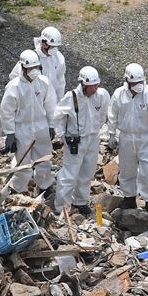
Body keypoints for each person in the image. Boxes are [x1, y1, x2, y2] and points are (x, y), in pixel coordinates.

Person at [107, 63, 148, 220]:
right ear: (127, 82)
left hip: (146, 137)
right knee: (127, 168)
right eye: (135, 83)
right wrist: (111, 134)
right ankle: (129, 198)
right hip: (127, 136)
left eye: (140, 82)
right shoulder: (119, 94)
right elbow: (112, 114)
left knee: (147, 170)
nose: (138, 86)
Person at [53, 66, 110, 216]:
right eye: (92, 86)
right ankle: (61, 207)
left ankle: (81, 201)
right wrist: (61, 135)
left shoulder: (102, 95)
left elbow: (103, 113)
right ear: (83, 84)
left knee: (87, 172)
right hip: (76, 141)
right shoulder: (71, 97)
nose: (95, 89)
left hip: (92, 138)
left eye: (97, 85)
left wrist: (98, 127)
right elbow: (58, 116)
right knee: (69, 174)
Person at [0, 49, 57, 195]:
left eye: (36, 67)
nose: (34, 71)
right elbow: (7, 111)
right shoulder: (14, 86)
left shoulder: (43, 82)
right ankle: (18, 189)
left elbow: (50, 105)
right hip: (22, 128)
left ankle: (44, 186)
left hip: (41, 126)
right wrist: (10, 133)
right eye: (31, 68)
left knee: (44, 158)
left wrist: (51, 125)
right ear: (23, 68)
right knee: (23, 162)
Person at [9, 26, 66, 100]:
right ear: (44, 43)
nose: (55, 49)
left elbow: (61, 80)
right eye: (52, 47)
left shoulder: (58, 57)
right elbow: (14, 77)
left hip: (51, 98)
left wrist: (59, 99)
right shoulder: (31, 58)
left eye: (56, 46)